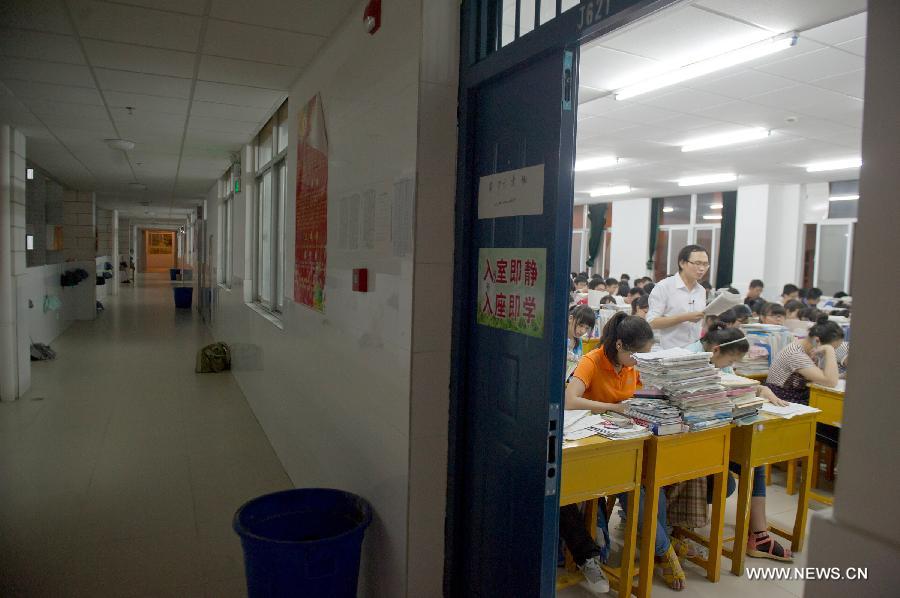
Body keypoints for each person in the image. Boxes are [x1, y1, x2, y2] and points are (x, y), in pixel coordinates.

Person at [566, 313, 685, 590]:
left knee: (652, 487)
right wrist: (614, 408)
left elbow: (644, 395)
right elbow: (570, 400)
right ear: (620, 345)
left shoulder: (632, 367)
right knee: (636, 492)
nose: (640, 361)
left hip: (628, 441)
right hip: (597, 447)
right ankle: (665, 551)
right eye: (638, 355)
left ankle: (658, 546)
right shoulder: (592, 360)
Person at [683, 325, 793, 562]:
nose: (729, 365)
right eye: (731, 359)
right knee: (733, 478)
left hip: (719, 432)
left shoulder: (720, 359)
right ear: (716, 350)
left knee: (756, 460)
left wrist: (760, 388)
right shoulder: (687, 359)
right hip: (692, 438)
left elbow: (731, 383)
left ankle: (759, 534)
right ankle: (758, 535)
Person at [765, 316, 844, 404]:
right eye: (832, 348)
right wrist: (829, 350)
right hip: (782, 399)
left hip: (797, 396)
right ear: (817, 341)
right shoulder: (795, 354)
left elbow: (827, 376)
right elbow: (831, 382)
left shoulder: (810, 350)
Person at [646, 245, 709, 349]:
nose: (702, 268)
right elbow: (652, 322)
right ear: (682, 263)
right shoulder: (664, 287)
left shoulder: (701, 290)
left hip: (695, 350)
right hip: (668, 350)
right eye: (697, 263)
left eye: (705, 264)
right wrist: (684, 317)